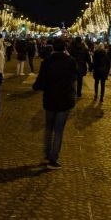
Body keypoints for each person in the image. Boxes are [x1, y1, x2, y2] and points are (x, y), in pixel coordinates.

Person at [33, 38, 78, 170]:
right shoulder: (70, 61)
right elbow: (75, 78)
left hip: (50, 98)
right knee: (59, 130)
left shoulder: (47, 61)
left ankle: (47, 153)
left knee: (48, 128)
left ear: (53, 48)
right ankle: (53, 159)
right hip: (64, 99)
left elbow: (40, 80)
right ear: (65, 48)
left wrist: (37, 87)